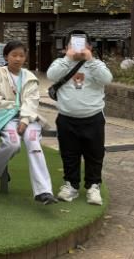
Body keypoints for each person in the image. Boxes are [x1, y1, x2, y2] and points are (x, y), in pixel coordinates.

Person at [47, 30, 112, 206]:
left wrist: (90, 59)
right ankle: (71, 185)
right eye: (73, 44)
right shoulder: (61, 63)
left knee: (94, 154)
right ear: (66, 47)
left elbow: (107, 79)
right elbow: (51, 75)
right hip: (67, 118)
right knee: (69, 154)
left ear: (89, 46)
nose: (77, 48)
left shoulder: (96, 64)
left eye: (83, 44)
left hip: (93, 117)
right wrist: (68, 58)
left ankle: (93, 186)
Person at [0, 41, 58, 205]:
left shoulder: (30, 77)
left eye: (21, 55)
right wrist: (16, 107)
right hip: (6, 117)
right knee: (12, 144)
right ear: (6, 56)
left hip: (29, 119)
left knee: (34, 144)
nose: (18, 59)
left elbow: (32, 101)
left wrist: (25, 119)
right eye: (14, 55)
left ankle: (44, 191)